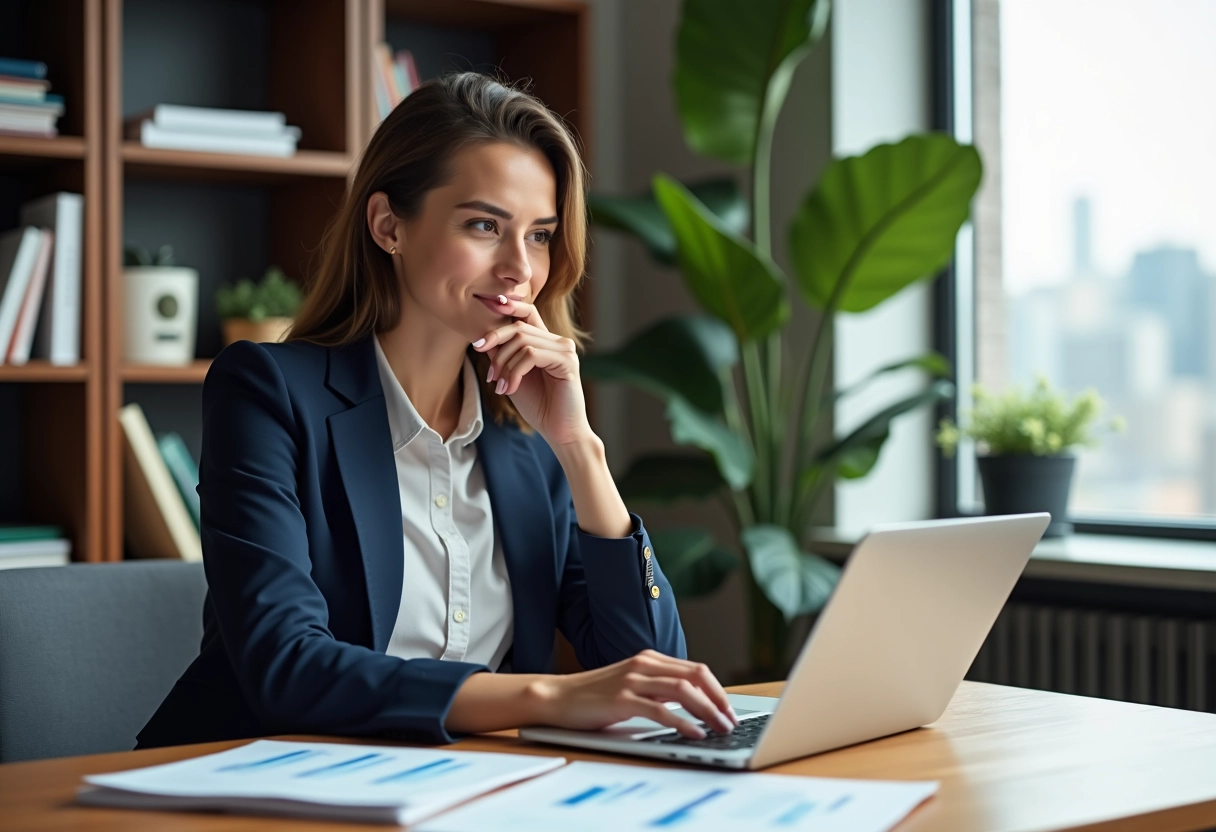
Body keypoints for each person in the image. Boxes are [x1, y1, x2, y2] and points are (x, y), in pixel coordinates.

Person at [137, 73, 738, 749]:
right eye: (485, 225)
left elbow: (641, 664)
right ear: (389, 226)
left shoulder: (527, 443)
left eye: (539, 235)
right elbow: (286, 667)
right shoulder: (269, 392)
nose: (519, 268)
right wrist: (546, 695)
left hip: (464, 790)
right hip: (244, 785)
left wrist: (579, 447)